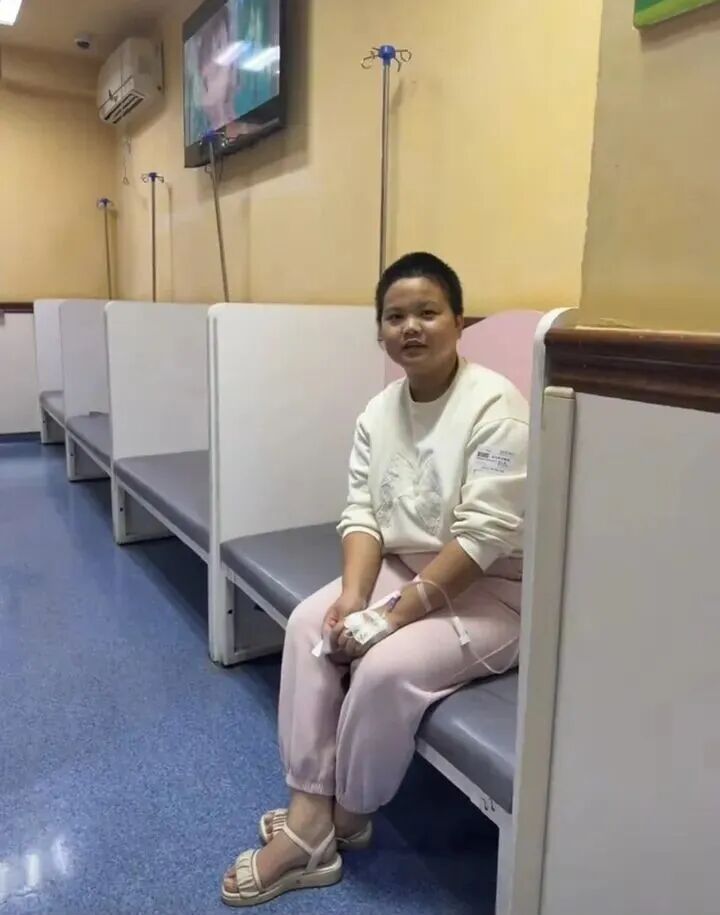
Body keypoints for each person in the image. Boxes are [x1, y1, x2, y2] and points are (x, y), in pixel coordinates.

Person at [221, 252, 529, 907]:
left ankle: (349, 815)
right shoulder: (379, 410)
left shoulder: (497, 406)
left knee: (385, 666)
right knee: (311, 623)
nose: (410, 327)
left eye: (428, 312)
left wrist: (390, 617)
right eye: (395, 317)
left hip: (495, 589)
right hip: (407, 565)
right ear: (381, 331)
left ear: (459, 321)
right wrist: (356, 598)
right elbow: (362, 512)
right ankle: (310, 809)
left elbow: (483, 535)